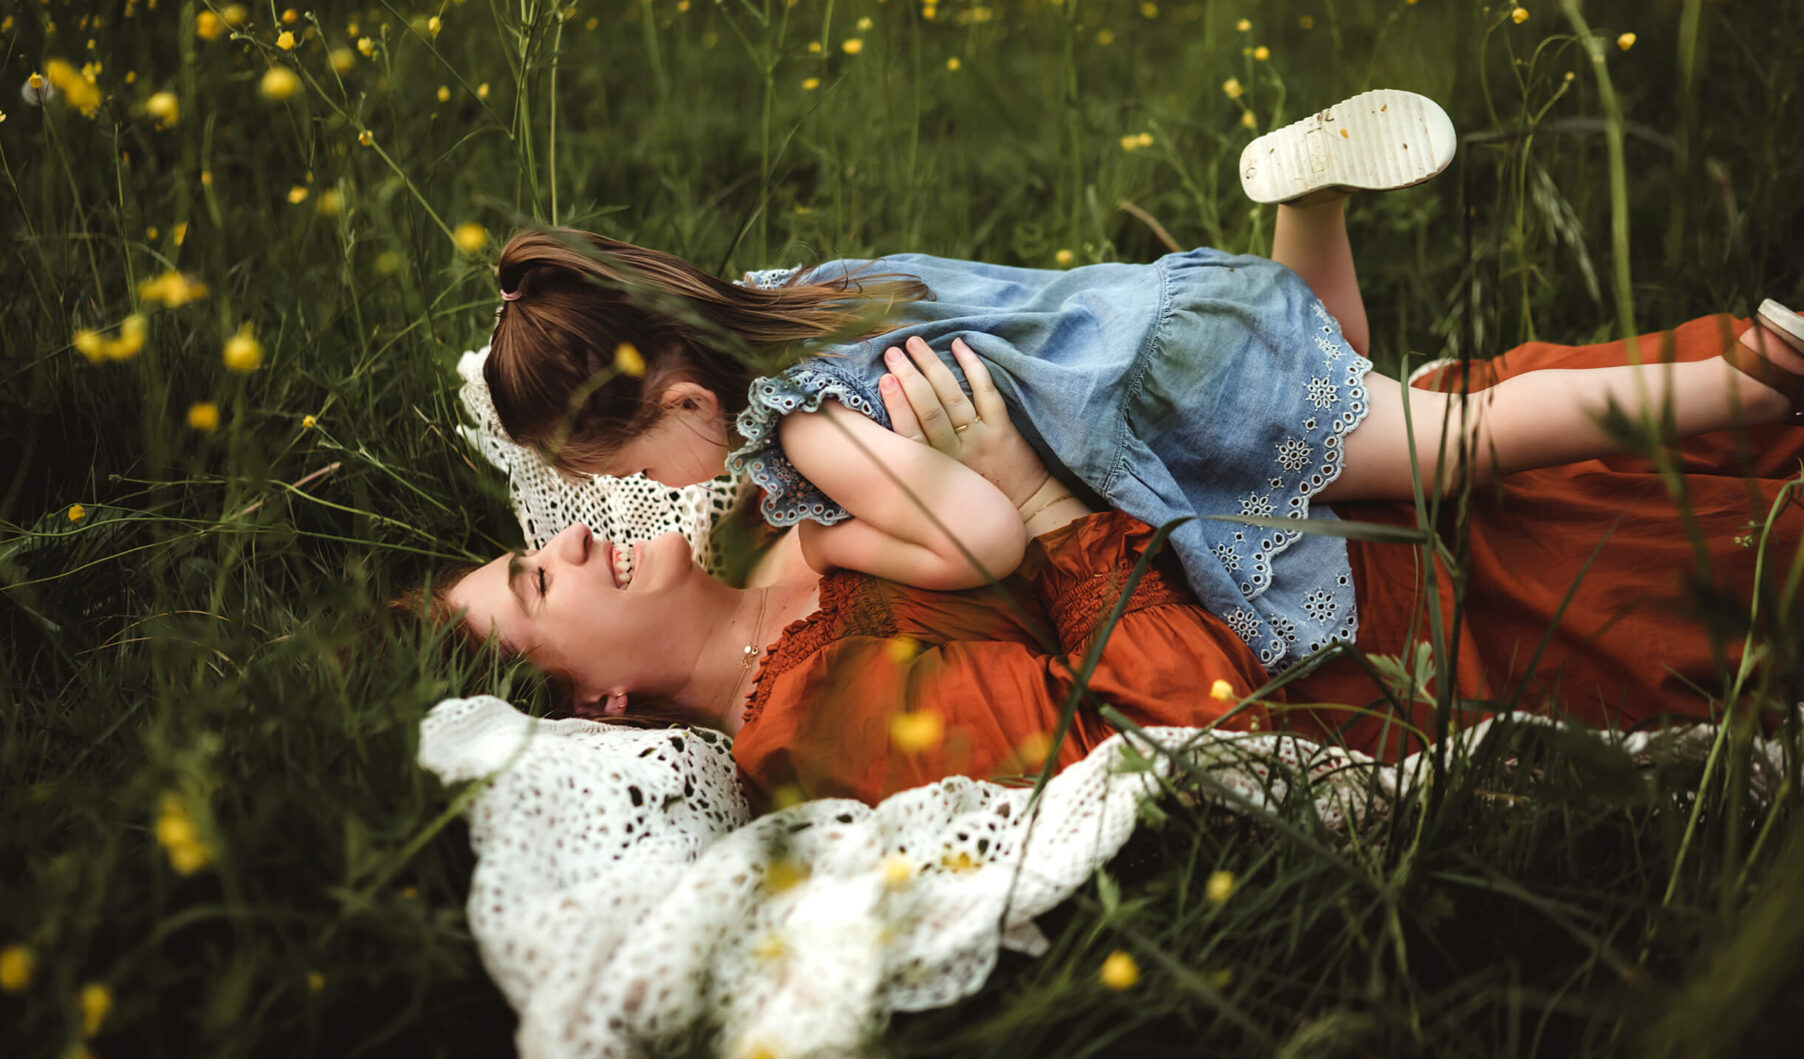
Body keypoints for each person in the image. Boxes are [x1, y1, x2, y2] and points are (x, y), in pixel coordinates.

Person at [481, 89, 1804, 670]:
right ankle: (1308, 207)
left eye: (636, 467)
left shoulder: (806, 429)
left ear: (685, 404)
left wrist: (838, 538)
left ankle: (1751, 381)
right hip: (1174, 323)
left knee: (1460, 442)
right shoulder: (800, 297)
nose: (659, 493)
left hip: (1181, 393)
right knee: (1353, 386)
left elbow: (983, 532)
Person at [441, 319, 1804, 812]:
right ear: (595, 707)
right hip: (1419, 609)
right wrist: (1040, 505)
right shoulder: (814, 721)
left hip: (1355, 476)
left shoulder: (771, 518)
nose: (573, 536)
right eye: (540, 582)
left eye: (536, 539)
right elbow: (1172, 736)